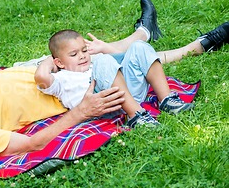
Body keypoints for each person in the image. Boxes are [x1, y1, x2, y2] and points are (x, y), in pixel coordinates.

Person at [0, 0, 228, 160]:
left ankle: (143, 36)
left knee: (92, 51)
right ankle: (178, 42)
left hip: (37, 70)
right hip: (67, 89)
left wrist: (44, 66)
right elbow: (29, 145)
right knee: (104, 59)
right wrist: (81, 114)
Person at [34, 29, 192, 129]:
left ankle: (167, 99)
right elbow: (41, 76)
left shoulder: (92, 64)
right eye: (74, 54)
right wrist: (51, 59)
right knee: (103, 61)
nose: (82, 56)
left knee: (138, 47)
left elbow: (124, 59)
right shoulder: (61, 79)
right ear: (59, 62)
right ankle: (136, 116)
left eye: (84, 50)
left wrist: (103, 48)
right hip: (101, 109)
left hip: (126, 96)